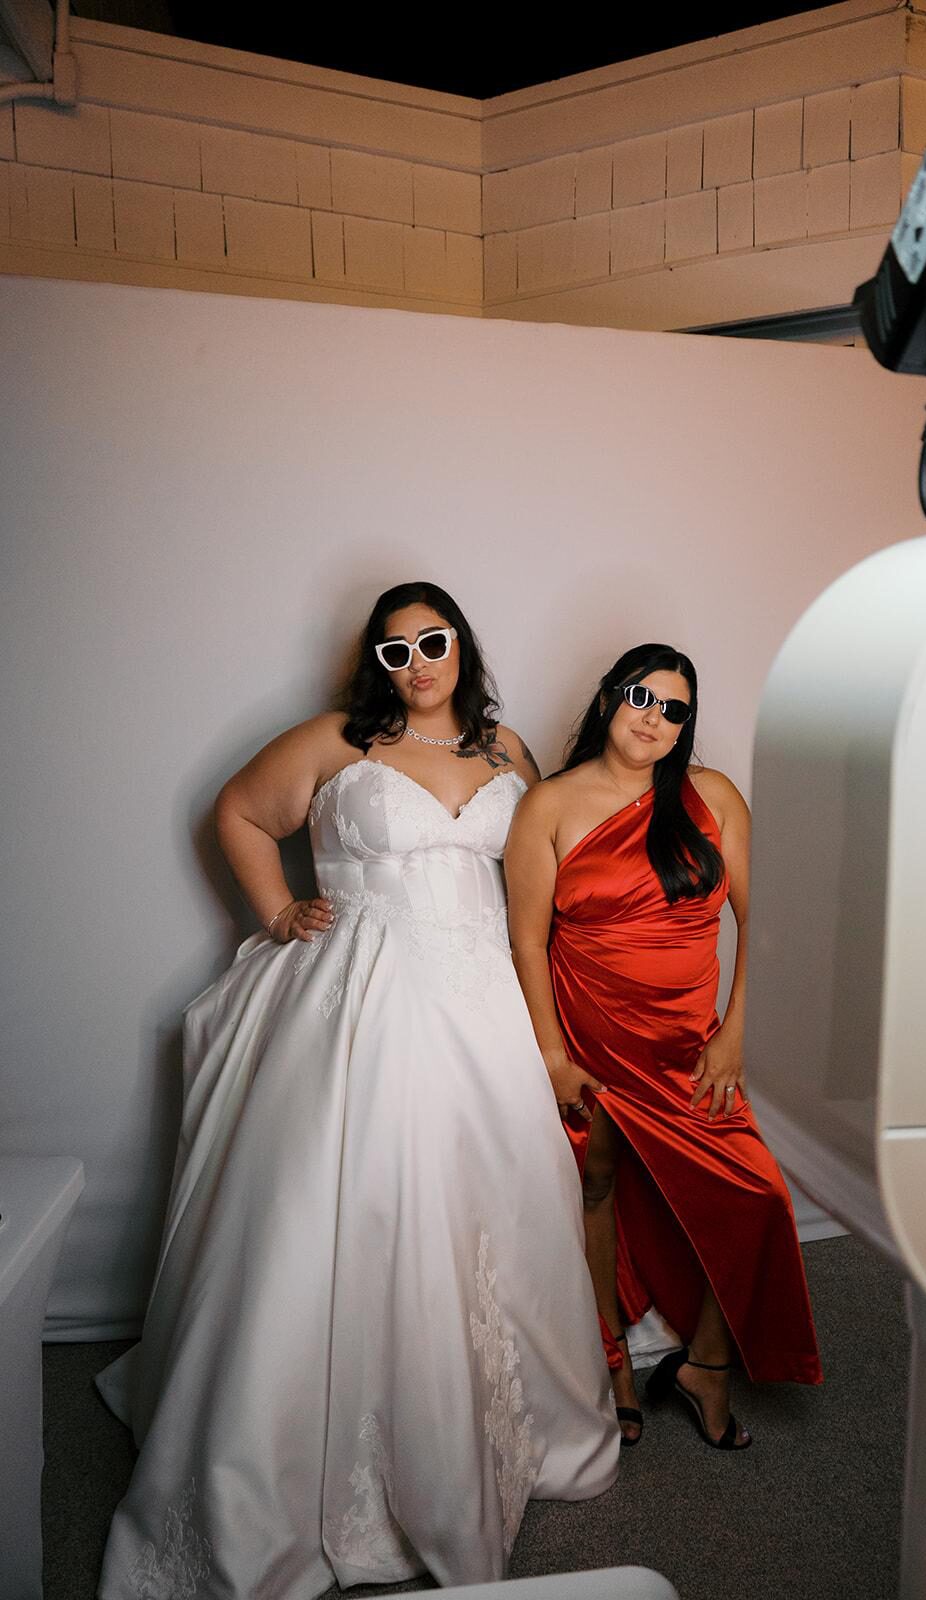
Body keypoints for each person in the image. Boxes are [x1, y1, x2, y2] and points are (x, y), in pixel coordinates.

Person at [96, 581, 618, 1600]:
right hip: (367, 1002)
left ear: (461, 646)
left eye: (432, 641)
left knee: (497, 1202)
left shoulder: (509, 754)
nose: (417, 662)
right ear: (373, 665)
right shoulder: (340, 739)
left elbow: (533, 893)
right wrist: (281, 905)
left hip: (484, 1009)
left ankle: (498, 1432)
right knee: (358, 1203)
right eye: (395, 650)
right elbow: (239, 812)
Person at [505, 643, 823, 1451]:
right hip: (591, 1037)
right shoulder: (546, 804)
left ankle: (705, 1366)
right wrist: (550, 1055)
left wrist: (733, 1038)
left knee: (755, 1197)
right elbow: (527, 943)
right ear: (611, 698)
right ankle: (611, 1363)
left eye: (674, 709)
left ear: (686, 725)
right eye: (641, 697)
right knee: (595, 1184)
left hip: (689, 1048)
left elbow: (765, 921)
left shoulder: (710, 795)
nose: (654, 718)